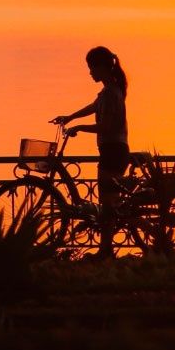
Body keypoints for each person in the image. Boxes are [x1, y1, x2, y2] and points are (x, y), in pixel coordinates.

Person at [51, 46, 129, 258]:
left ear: (102, 67)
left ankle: (106, 250)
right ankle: (106, 249)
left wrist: (79, 128)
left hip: (113, 151)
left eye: (92, 68)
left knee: (108, 206)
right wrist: (70, 117)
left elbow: (106, 126)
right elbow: (93, 107)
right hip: (112, 150)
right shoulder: (108, 91)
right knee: (111, 204)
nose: (90, 72)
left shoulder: (112, 93)